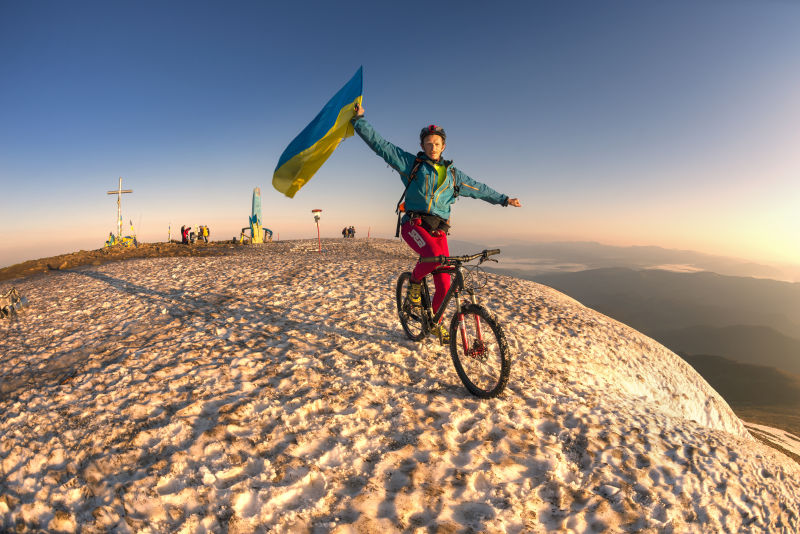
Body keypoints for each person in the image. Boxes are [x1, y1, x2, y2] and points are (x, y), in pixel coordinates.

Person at [351, 104, 521, 344]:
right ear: (422, 146)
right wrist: (360, 121)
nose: (433, 147)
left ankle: (433, 323)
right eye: (428, 144)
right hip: (414, 224)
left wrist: (504, 199)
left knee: (444, 284)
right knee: (431, 255)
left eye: (437, 144)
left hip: (439, 230)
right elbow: (382, 147)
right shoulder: (413, 164)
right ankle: (414, 285)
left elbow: (478, 188)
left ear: (444, 146)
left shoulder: (453, 175)